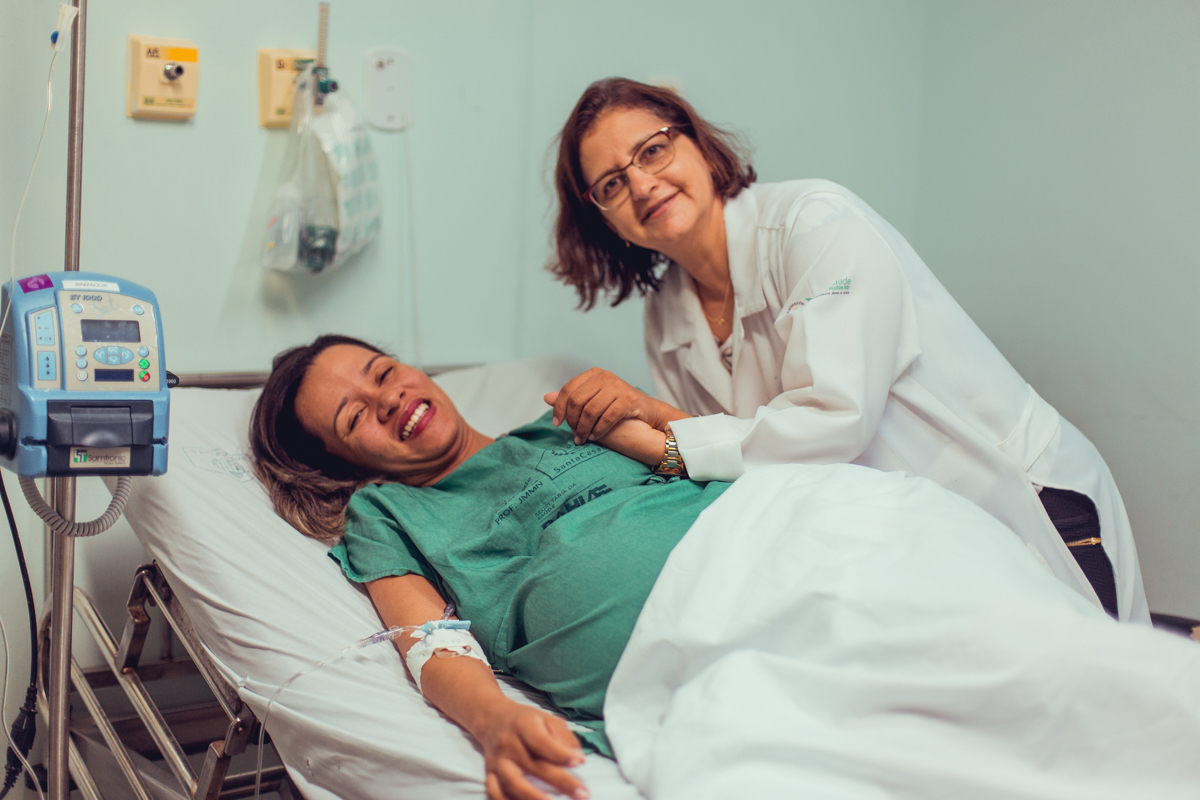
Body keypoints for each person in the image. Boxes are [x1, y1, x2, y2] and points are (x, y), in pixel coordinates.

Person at [546, 77, 1146, 623]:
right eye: (612, 184)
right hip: (910, 540)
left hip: (1018, 505)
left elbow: (835, 421)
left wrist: (653, 435)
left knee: (1110, 711)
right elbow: (729, 467)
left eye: (653, 150)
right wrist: (659, 427)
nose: (643, 184)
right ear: (604, 220)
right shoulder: (666, 316)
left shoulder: (814, 223)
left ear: (698, 145)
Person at [249, 334, 730, 800]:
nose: (388, 400)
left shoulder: (567, 419)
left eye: (385, 372)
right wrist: (494, 718)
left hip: (761, 541)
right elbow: (432, 640)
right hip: (682, 669)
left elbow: (738, 455)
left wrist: (650, 411)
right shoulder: (387, 513)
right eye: (355, 417)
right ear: (339, 463)